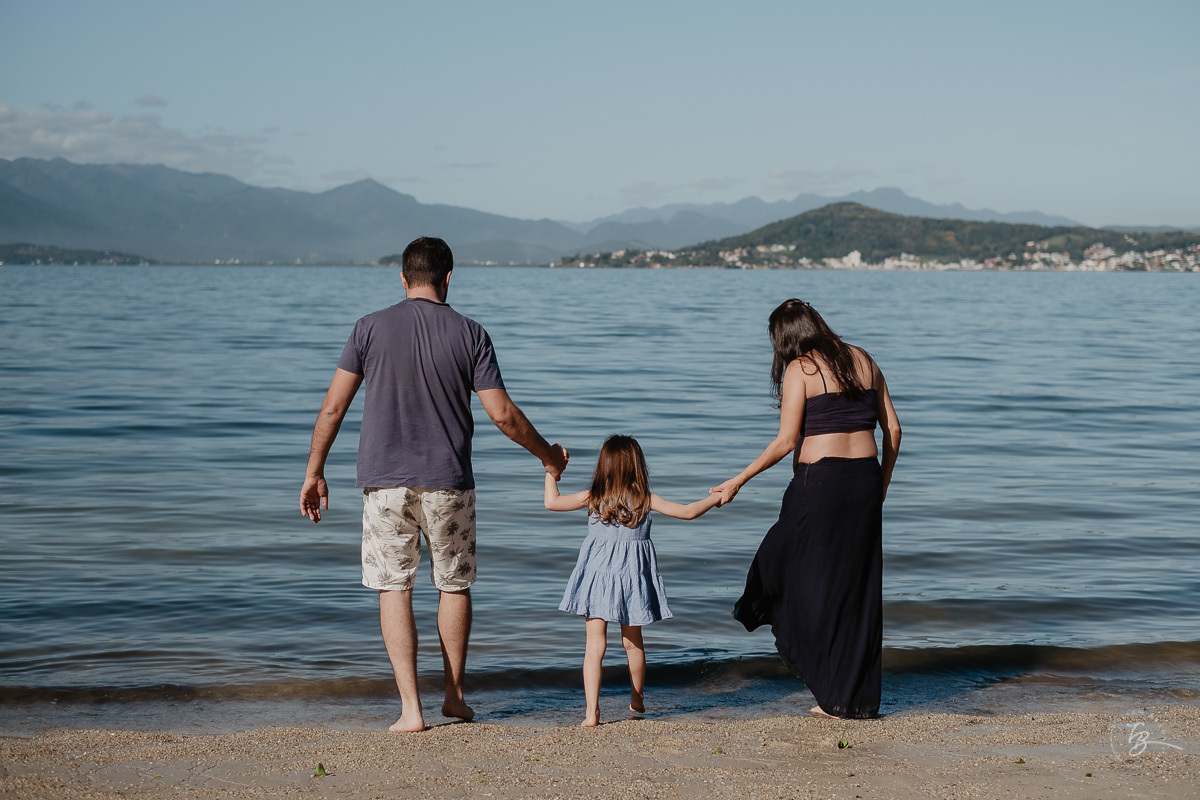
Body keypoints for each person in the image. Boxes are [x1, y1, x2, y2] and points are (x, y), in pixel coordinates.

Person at [300, 236, 569, 733]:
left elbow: (333, 407)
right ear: (449, 278)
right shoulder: (471, 334)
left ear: (402, 279)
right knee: (454, 585)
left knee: (393, 588)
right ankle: (454, 697)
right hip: (449, 483)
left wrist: (315, 470)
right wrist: (549, 456)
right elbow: (504, 416)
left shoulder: (368, 328)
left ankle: (410, 711)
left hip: (383, 487)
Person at [712, 299, 900, 719]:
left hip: (821, 483)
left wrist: (737, 480)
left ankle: (761, 613)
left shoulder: (802, 368)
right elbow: (894, 428)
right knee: (856, 589)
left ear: (787, 338)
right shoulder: (864, 359)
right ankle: (851, 699)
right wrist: (881, 484)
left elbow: (785, 442)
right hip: (866, 482)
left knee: (784, 563)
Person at [544, 434, 722, 727]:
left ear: (604, 465)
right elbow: (688, 512)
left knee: (594, 647)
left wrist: (551, 472)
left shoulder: (594, 497)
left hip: (597, 579)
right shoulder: (645, 500)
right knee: (633, 643)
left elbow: (552, 503)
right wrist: (719, 496)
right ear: (637, 466)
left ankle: (592, 713)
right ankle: (637, 698)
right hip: (632, 581)